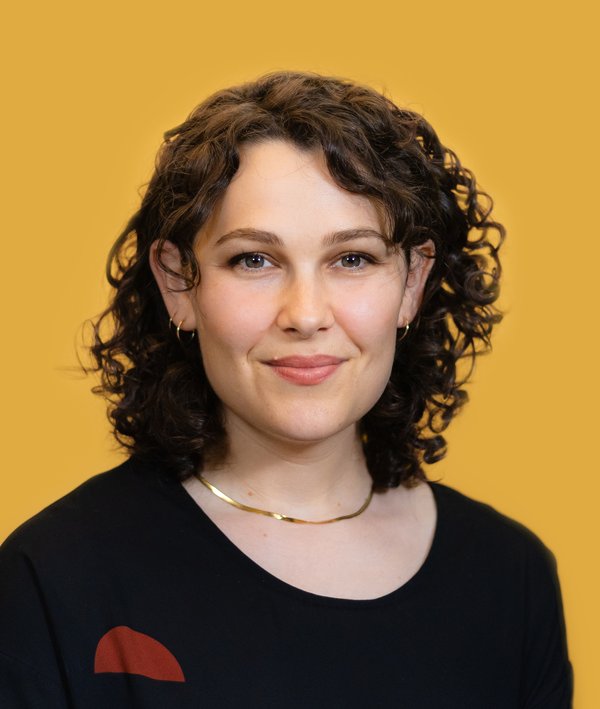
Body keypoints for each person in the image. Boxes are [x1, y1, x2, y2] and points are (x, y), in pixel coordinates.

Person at [0, 71, 573, 707]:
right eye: (254, 260)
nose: (305, 314)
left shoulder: (511, 578)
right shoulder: (55, 575)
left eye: (352, 258)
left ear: (412, 282)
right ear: (178, 285)